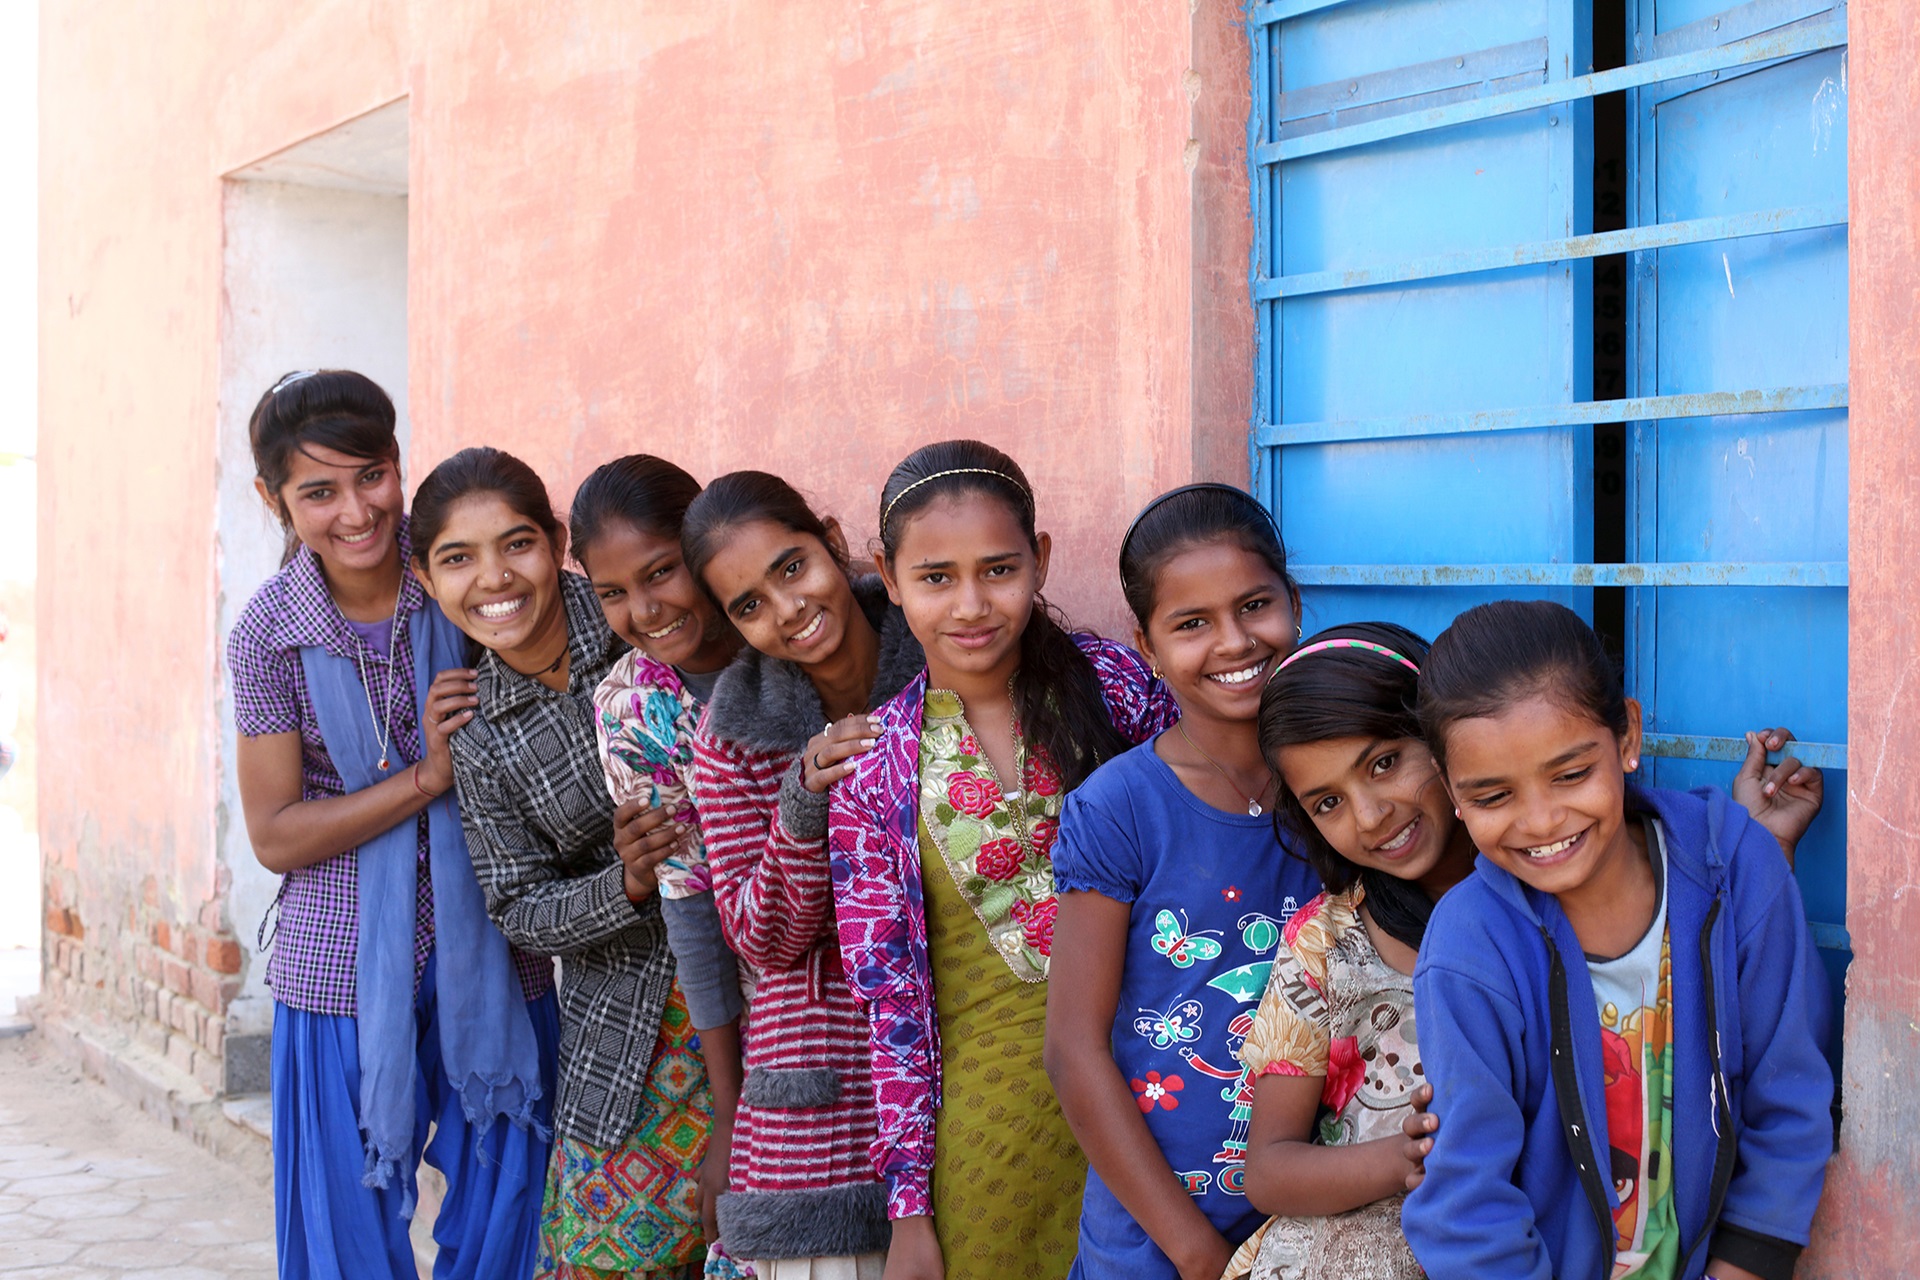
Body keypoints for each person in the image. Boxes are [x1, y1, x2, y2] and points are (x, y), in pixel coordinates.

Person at [1229, 623, 1823, 1280]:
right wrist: (1406, 1158)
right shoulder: (1440, 938)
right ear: (1461, 786)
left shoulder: (1711, 866)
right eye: (1329, 802)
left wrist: (1755, 854)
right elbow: (1458, 1196)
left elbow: (1777, 1079)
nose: (1371, 816)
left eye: (1385, 762)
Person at [226, 372, 556, 1280]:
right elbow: (278, 834)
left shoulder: (453, 565)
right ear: (273, 499)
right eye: (318, 492)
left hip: (493, 932)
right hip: (338, 960)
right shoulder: (269, 633)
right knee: (344, 1224)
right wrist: (425, 779)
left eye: (371, 476)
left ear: (398, 464)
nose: (356, 512)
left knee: (510, 1194)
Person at [1402, 599, 1833, 1280]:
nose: (1542, 821)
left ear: (1627, 736)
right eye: (1492, 796)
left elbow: (1790, 1099)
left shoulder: (1737, 869)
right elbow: (1468, 1197)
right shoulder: (1469, 944)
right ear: (1451, 790)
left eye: (1571, 774)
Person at [829, 441, 1177, 1280]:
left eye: (999, 569)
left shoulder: (1115, 686)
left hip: (1165, 1089)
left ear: (1042, 558)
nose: (972, 604)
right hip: (992, 1136)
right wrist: (911, 1210)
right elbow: (894, 1006)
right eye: (936, 576)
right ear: (888, 573)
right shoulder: (874, 769)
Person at [410, 447, 708, 1280]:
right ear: (429, 582)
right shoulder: (481, 726)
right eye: (457, 560)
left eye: (517, 544)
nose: (494, 578)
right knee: (598, 1257)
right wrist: (624, 884)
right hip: (625, 1024)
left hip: (773, 978)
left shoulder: (645, 610)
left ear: (556, 541)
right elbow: (517, 906)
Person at [1043, 484, 1322, 1280]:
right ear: (1149, 644)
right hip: (1155, 1239)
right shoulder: (1119, 807)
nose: (1233, 642)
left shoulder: (1341, 793)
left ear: (1293, 605)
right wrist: (1194, 1253)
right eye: (1192, 624)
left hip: (1315, 1228)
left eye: (1254, 606)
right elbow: (1072, 1050)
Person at [682, 472, 917, 1279]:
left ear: (832, 541)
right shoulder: (731, 738)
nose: (786, 609)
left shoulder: (946, 649)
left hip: (963, 1043)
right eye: (748, 605)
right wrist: (804, 801)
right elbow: (760, 937)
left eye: (792, 568)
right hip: (825, 1097)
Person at [572, 453, 752, 1277]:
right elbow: (688, 903)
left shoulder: (789, 633)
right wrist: (729, 1114)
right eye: (614, 593)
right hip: (770, 1012)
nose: (645, 610)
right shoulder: (635, 706)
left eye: (662, 573)